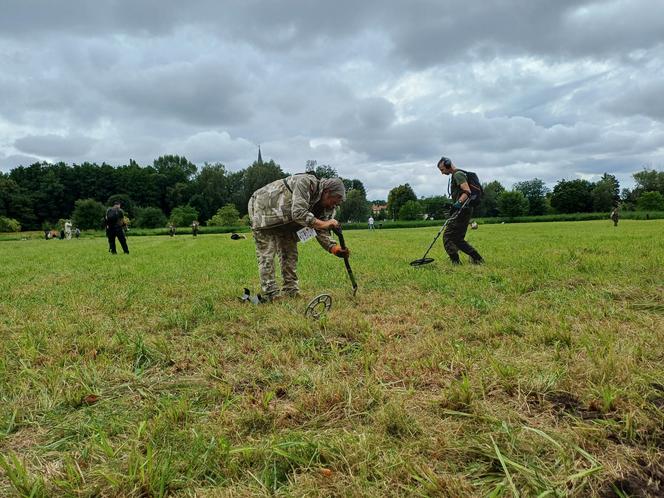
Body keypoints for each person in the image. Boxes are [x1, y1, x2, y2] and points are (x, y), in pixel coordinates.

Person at [248, 173, 348, 301]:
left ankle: (291, 291)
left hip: (288, 223)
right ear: (327, 192)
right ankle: (271, 294)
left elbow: (321, 228)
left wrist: (334, 248)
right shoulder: (305, 182)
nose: (333, 206)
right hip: (263, 213)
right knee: (267, 254)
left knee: (290, 254)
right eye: (333, 202)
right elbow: (299, 213)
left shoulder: (328, 206)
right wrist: (325, 223)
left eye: (336, 204)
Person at [437, 156, 484, 265]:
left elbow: (467, 191)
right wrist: (453, 205)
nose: (442, 173)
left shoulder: (458, 174)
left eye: (442, 170)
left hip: (462, 210)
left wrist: (457, 204)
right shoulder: (456, 175)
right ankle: (477, 258)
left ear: (448, 165)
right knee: (458, 239)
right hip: (464, 210)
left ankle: (455, 262)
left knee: (448, 236)